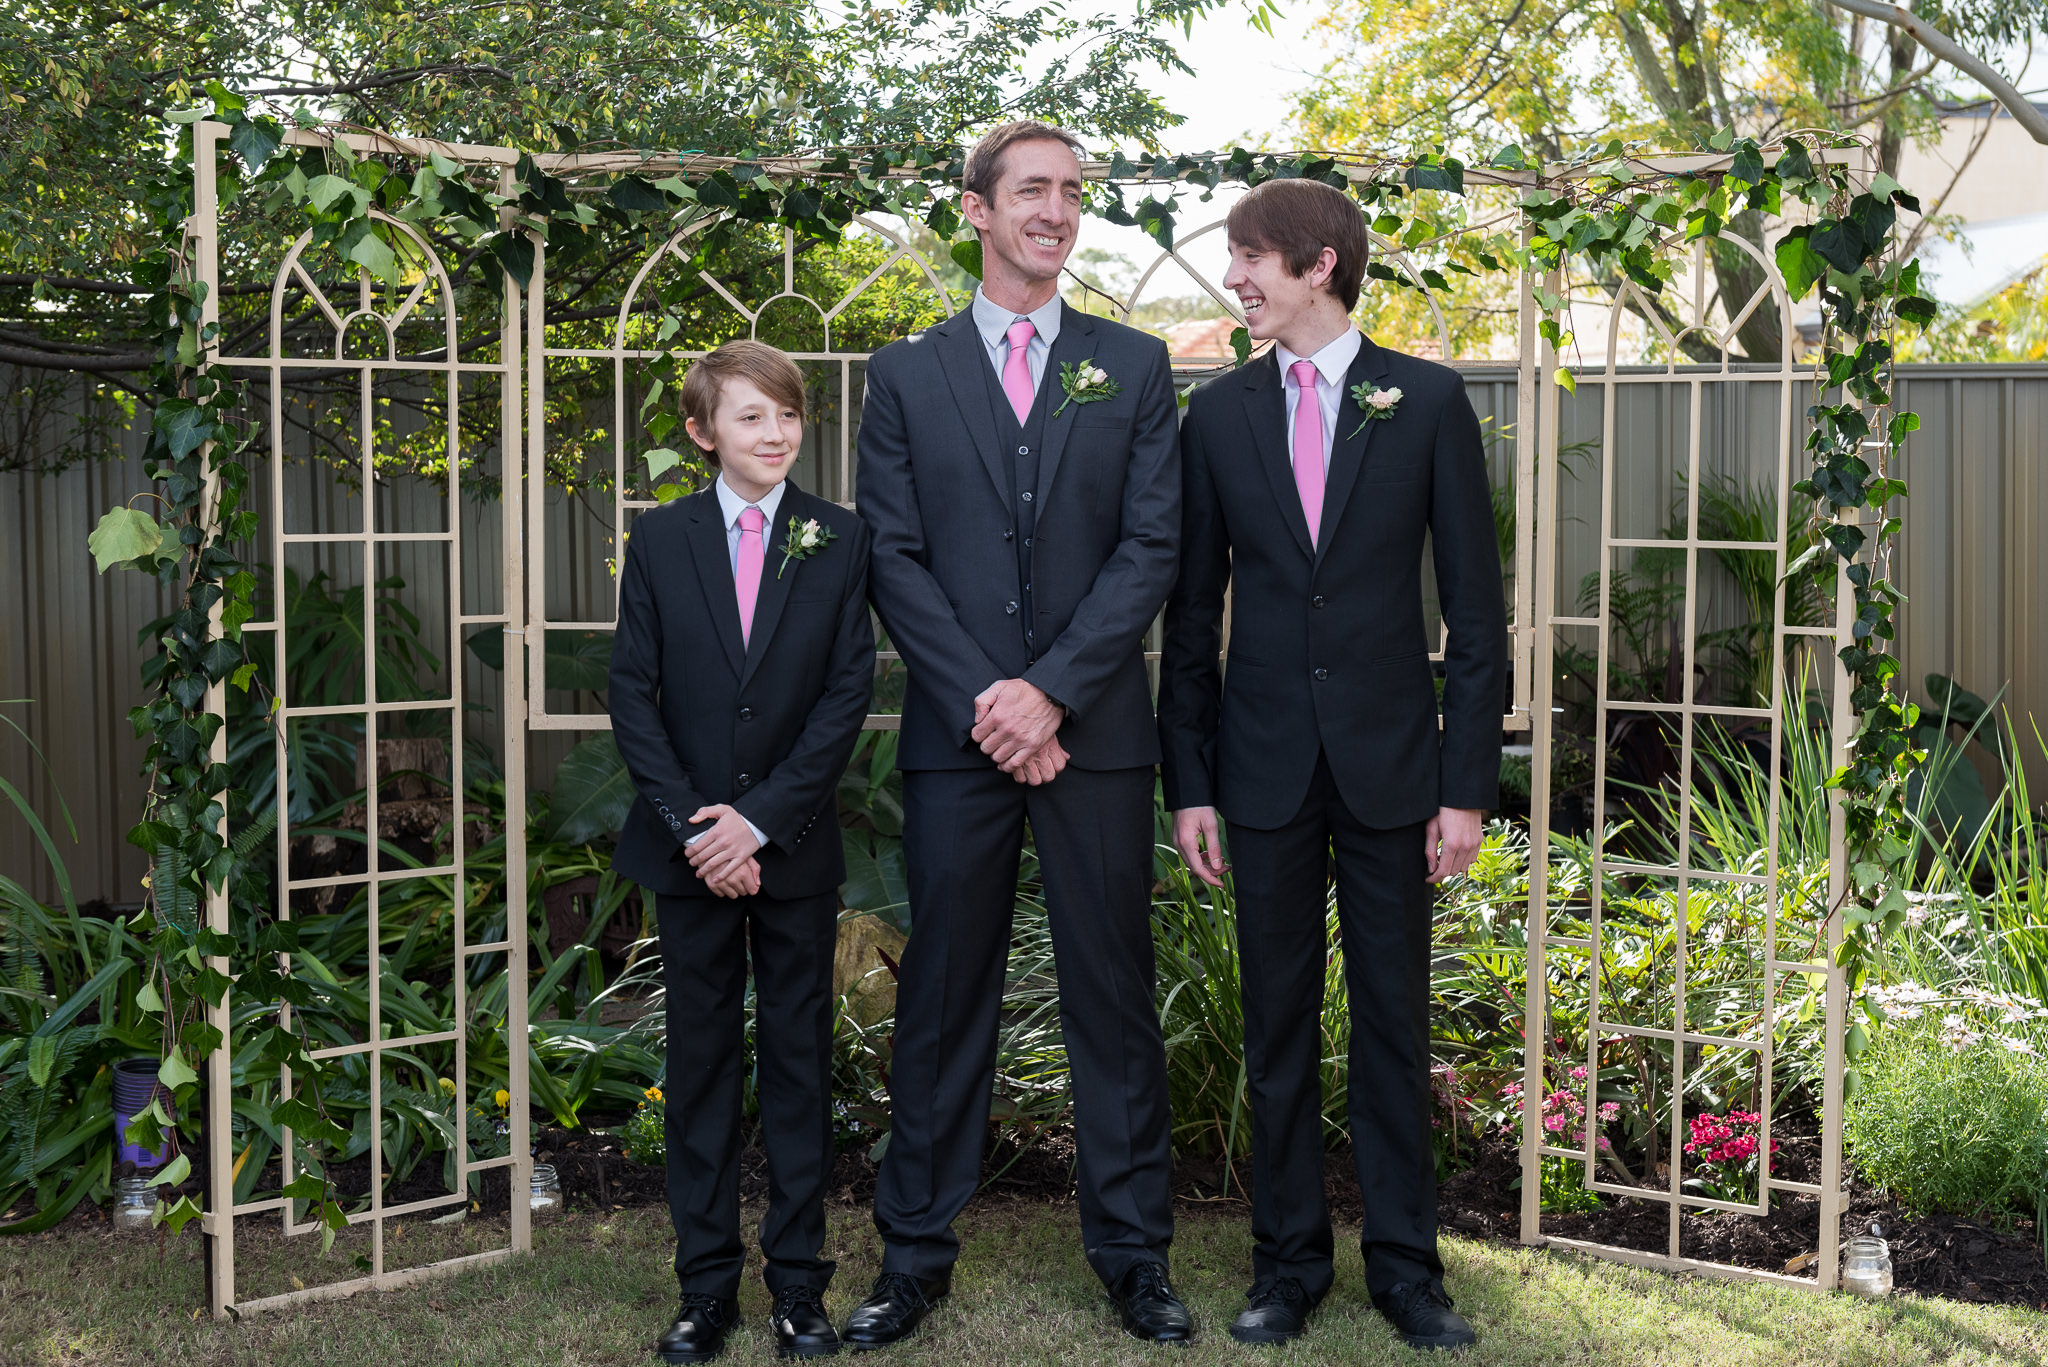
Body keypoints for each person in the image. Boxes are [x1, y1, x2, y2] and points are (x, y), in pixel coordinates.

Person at [844, 120, 1190, 1348]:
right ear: (975, 209)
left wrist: (1049, 692)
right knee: (942, 996)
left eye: (1071, 192)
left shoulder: (1133, 365)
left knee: (1112, 995)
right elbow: (892, 552)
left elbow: (1151, 546)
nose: (1056, 209)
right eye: (1032, 189)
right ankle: (913, 1256)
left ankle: (1134, 1256)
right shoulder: (904, 373)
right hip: (958, 736)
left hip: (1090, 735)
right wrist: (994, 702)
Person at [1157, 177, 1507, 1352]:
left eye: (1248, 257)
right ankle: (1288, 1262)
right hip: (1256, 772)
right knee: (1276, 1025)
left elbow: (1475, 611)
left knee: (1394, 1027)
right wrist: (1189, 781)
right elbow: (1188, 614)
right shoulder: (1215, 416)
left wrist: (1464, 787)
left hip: (1393, 773)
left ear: (1316, 265)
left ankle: (1407, 1270)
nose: (1232, 278)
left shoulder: (1426, 401)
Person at [609, 340, 877, 1363]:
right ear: (701, 431)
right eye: (751, 417)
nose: (774, 434)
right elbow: (633, 690)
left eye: (788, 415)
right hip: (689, 856)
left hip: (791, 849)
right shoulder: (661, 539)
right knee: (702, 1064)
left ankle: (799, 1288)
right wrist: (698, 827)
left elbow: (843, 693)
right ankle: (704, 1287)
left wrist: (757, 821)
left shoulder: (837, 537)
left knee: (800, 1068)